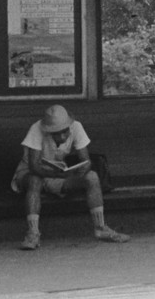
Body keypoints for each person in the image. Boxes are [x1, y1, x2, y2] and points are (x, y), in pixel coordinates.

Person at [11, 104, 129, 251]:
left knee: (92, 177)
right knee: (35, 181)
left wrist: (81, 171)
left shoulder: (77, 127)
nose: (61, 136)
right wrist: (57, 174)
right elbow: (34, 166)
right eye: (56, 133)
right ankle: (33, 234)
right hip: (30, 174)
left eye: (64, 132)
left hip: (58, 175)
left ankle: (100, 227)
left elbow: (86, 160)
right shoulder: (36, 129)